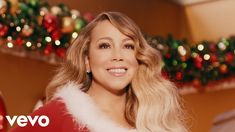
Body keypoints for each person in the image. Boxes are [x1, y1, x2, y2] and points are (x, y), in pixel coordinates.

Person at [11, 12, 187, 132]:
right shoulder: (60, 112)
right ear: (87, 61)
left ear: (138, 58)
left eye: (127, 46)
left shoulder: (154, 119)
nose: (118, 56)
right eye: (105, 45)